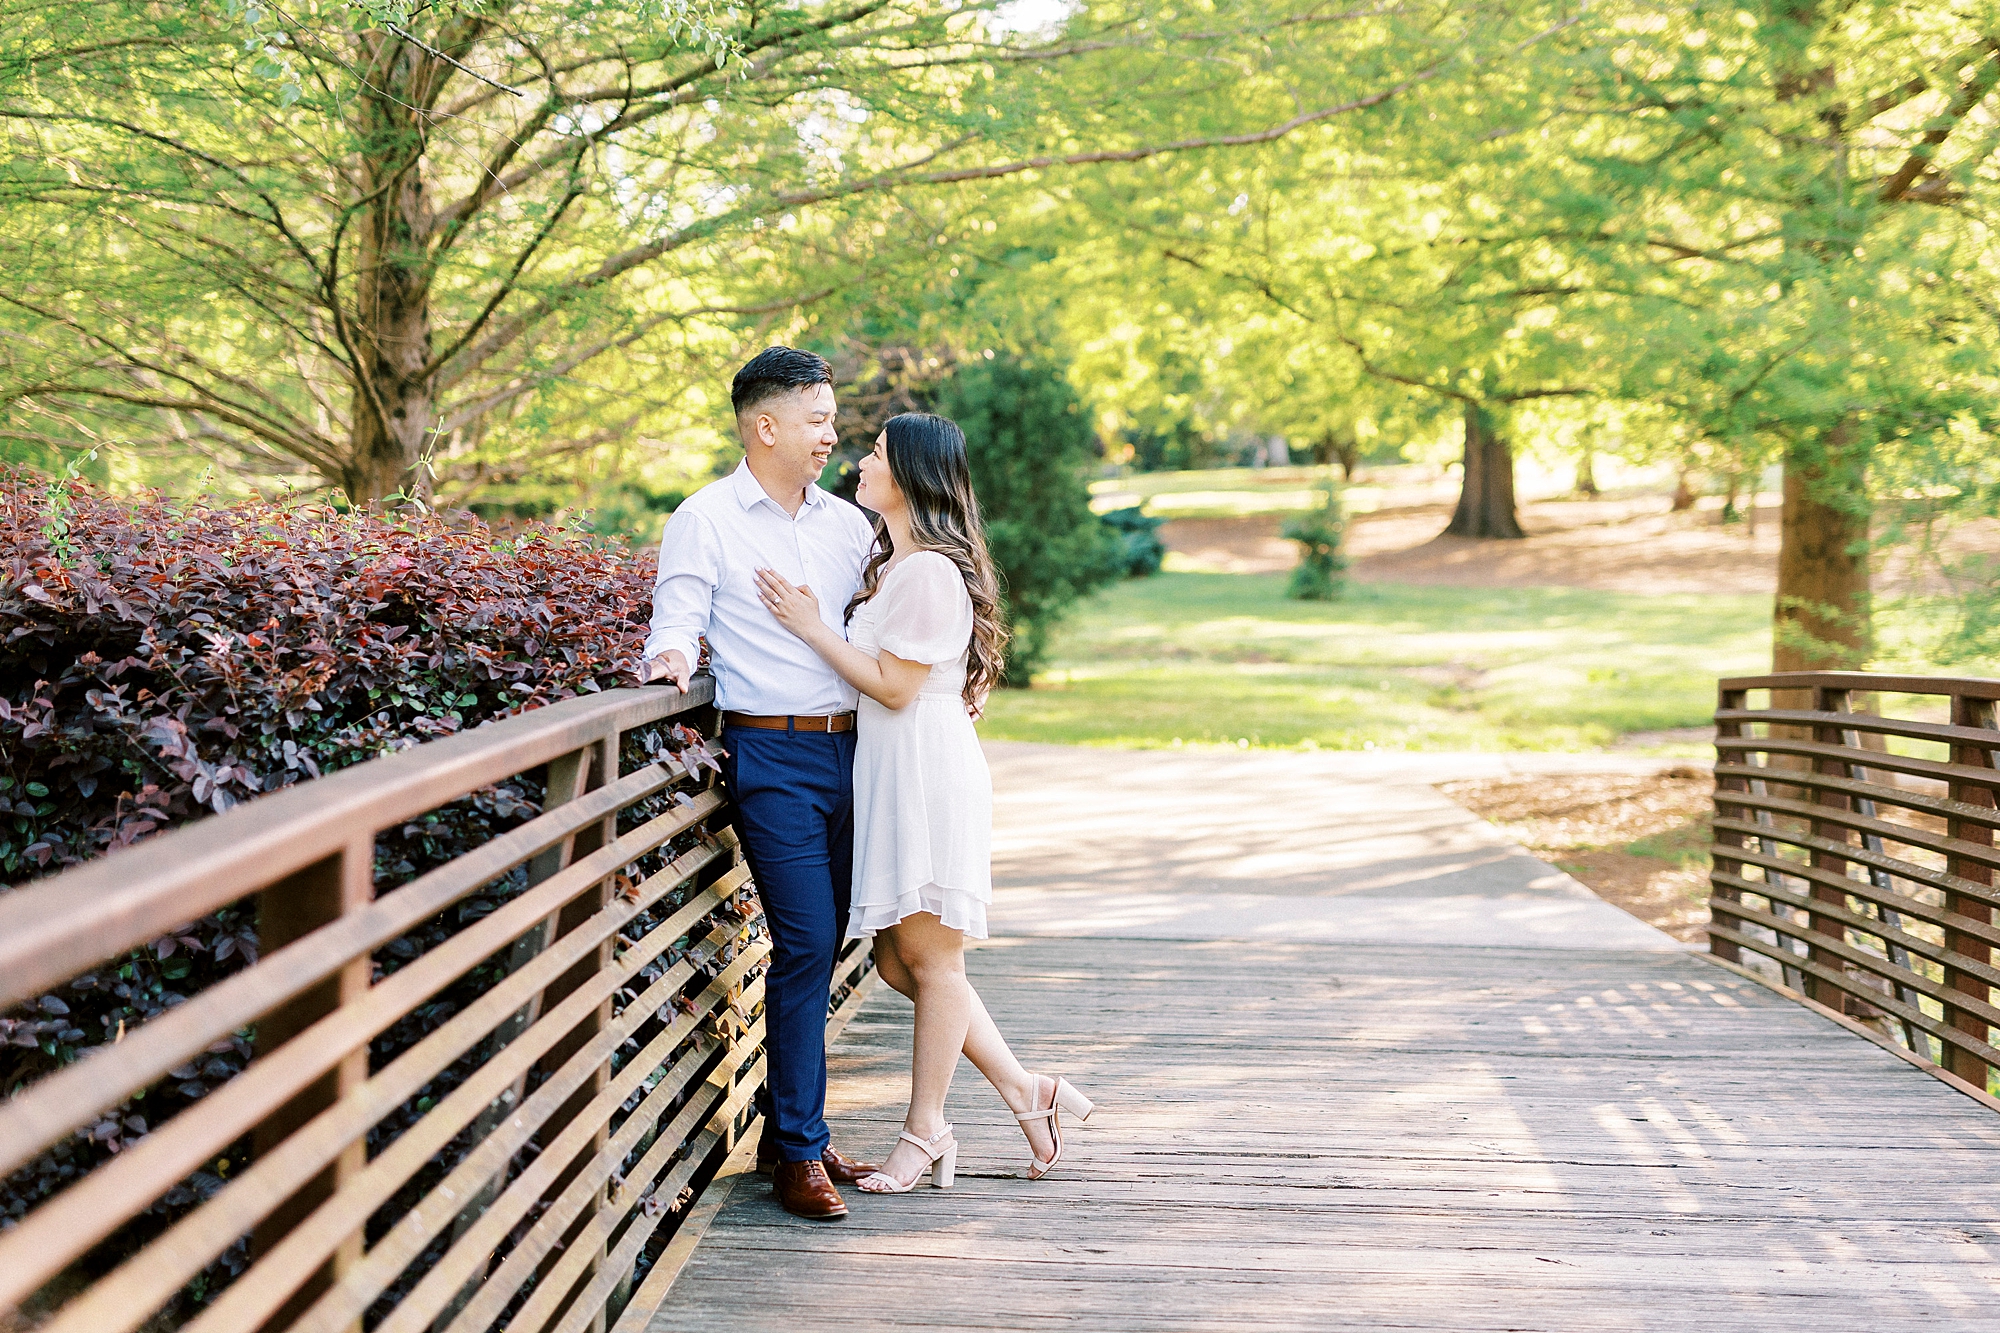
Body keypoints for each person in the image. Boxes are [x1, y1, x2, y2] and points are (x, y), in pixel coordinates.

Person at [753, 412, 1093, 1195]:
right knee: (898, 963)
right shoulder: (900, 563)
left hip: (925, 777)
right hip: (898, 773)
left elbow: (898, 686)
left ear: (906, 476)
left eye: (874, 454)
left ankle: (925, 1131)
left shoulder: (930, 570)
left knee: (934, 963)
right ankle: (1024, 1090)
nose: (859, 462)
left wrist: (809, 627)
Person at [640, 346, 880, 1222]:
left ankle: (799, 1129)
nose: (832, 435)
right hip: (769, 755)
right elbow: (680, 613)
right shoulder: (703, 518)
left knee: (835, 939)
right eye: (818, 419)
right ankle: (796, 1155)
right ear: (765, 425)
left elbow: (884, 624)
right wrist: (669, 658)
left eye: (831, 419)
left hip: (860, 751)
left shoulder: (849, 525)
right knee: (808, 939)